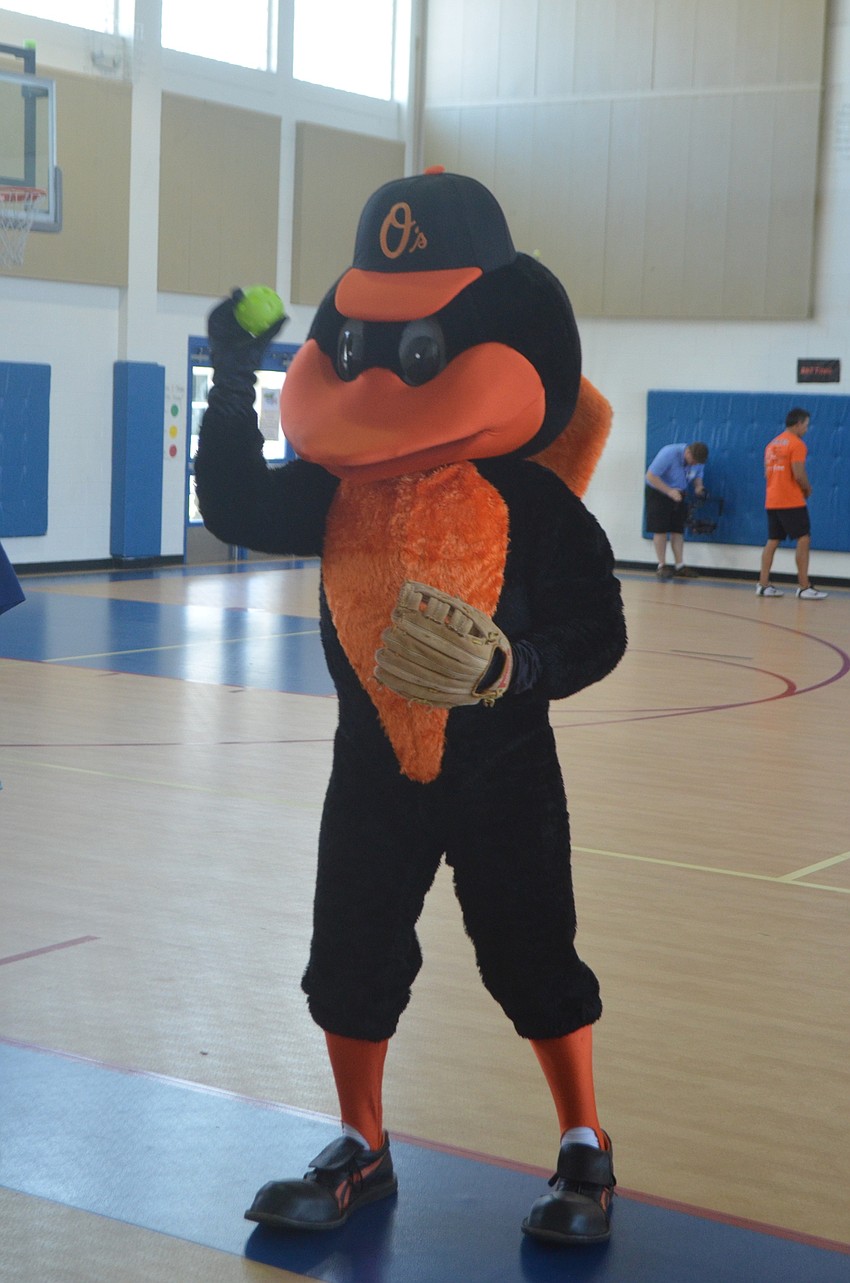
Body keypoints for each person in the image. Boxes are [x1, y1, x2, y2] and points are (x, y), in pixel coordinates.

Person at [195, 169, 627, 1249]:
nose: (383, 377)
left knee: (532, 953)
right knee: (348, 952)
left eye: (420, 349)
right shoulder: (338, 490)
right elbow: (235, 500)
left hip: (505, 767)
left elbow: (600, 629)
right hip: (372, 768)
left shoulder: (533, 502)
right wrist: (232, 372)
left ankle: (583, 1140)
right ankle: (360, 1141)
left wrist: (516, 668)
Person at [757, 408, 828, 599]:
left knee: (772, 540)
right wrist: (807, 488)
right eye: (806, 425)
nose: (806, 429)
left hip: (772, 499)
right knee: (803, 538)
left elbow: (767, 473)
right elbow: (798, 473)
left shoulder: (771, 444)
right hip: (790, 500)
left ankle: (763, 585)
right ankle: (804, 587)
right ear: (798, 424)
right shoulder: (797, 444)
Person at [644, 442, 709, 578]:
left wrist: (698, 487)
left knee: (677, 530)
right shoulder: (669, 453)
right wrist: (669, 491)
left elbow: (698, 475)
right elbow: (650, 476)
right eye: (693, 461)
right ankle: (662, 565)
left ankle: (680, 565)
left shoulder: (698, 460)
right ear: (688, 453)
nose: (694, 464)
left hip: (679, 493)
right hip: (659, 491)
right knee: (660, 529)